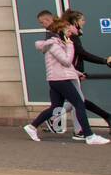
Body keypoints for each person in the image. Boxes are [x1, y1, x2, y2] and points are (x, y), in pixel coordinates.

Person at [23, 17, 109, 145]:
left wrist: (79, 73)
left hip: (58, 79)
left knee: (56, 107)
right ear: (60, 31)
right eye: (67, 30)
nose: (70, 33)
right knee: (79, 103)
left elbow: (64, 66)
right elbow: (66, 61)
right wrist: (70, 46)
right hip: (60, 80)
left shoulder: (58, 44)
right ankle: (89, 136)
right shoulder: (54, 44)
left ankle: (32, 127)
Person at [61, 9, 111, 139]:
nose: (84, 22)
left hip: (73, 71)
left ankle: (78, 129)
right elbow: (82, 54)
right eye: (82, 20)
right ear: (75, 21)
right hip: (71, 72)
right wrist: (104, 61)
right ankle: (50, 118)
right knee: (77, 101)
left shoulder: (72, 34)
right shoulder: (72, 36)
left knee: (76, 101)